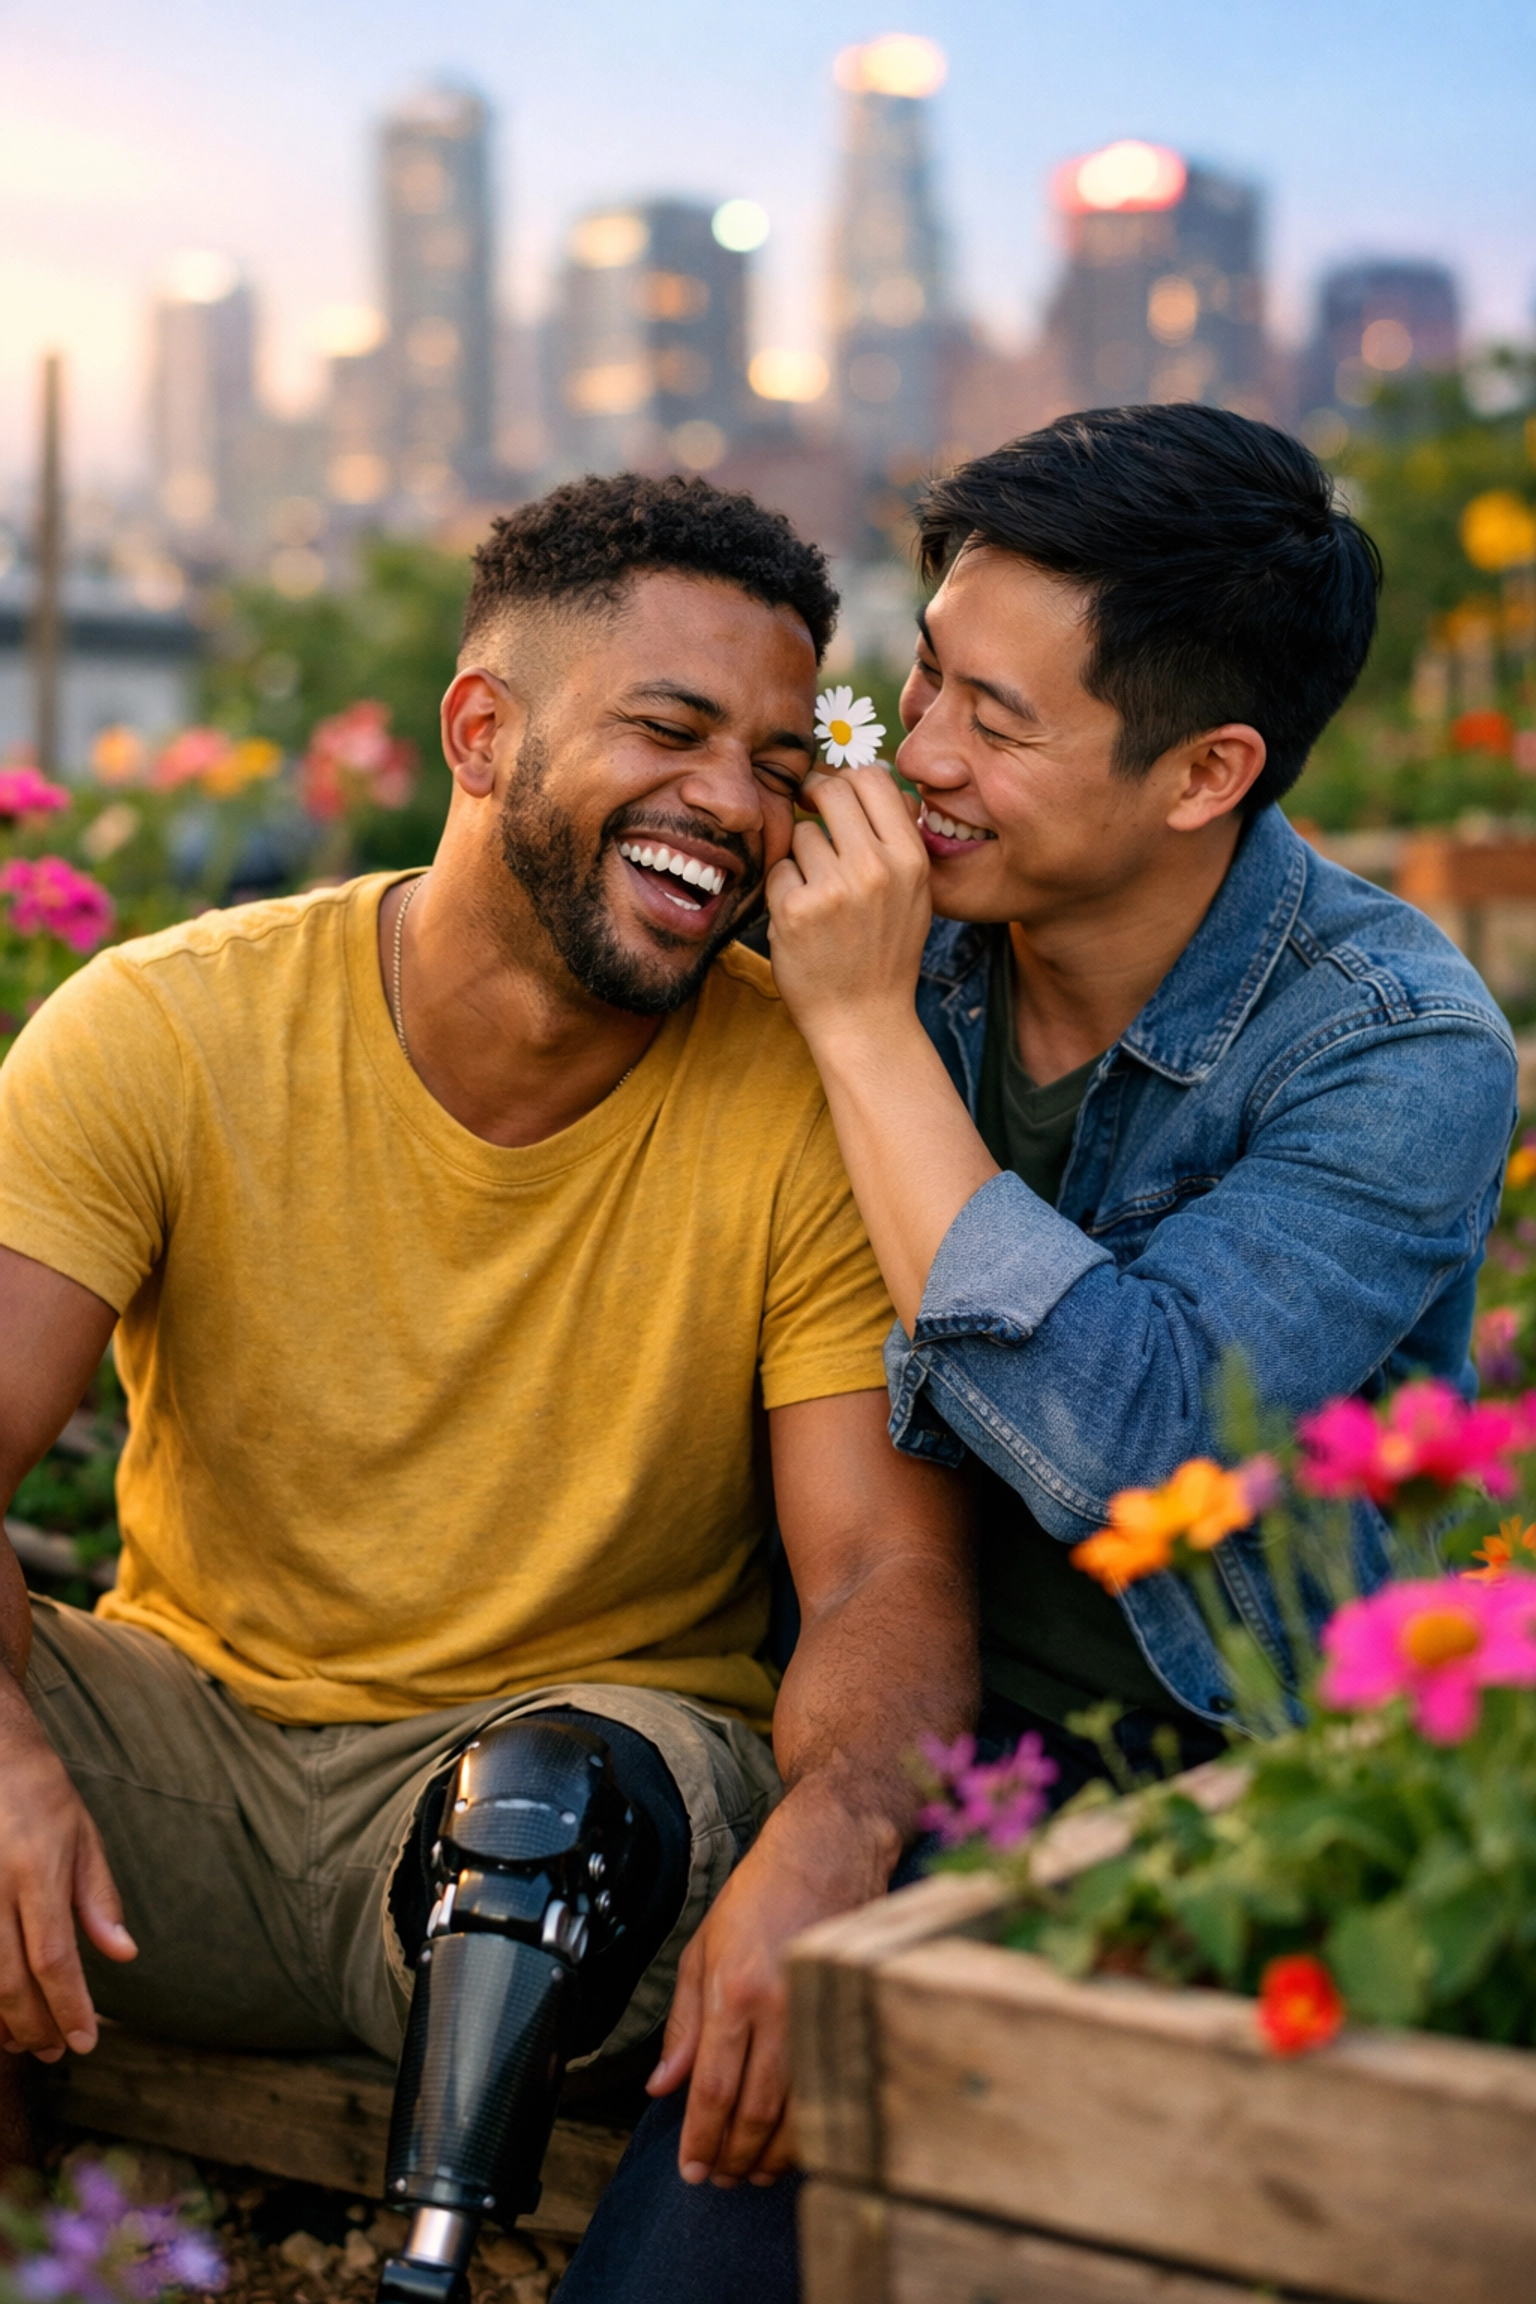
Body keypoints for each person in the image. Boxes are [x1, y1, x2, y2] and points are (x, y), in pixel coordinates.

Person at [0, 474, 975, 2298]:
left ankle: (430, 2271)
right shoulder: (163, 1028)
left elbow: (880, 1576)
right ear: (481, 730)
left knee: (556, 1797)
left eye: (780, 761)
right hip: (194, 1784)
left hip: (578, 1834)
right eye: (670, 730)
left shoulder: (805, 1100)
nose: (731, 805)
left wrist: (843, 1833)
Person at [765, 403, 1517, 1797]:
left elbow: (1141, 1440)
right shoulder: (885, 917)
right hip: (832, 1722)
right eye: (925, 680)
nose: (919, 754)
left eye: (996, 724)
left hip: (1214, 1795)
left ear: (1205, 773)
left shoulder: (1393, 1050)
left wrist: (865, 1032)